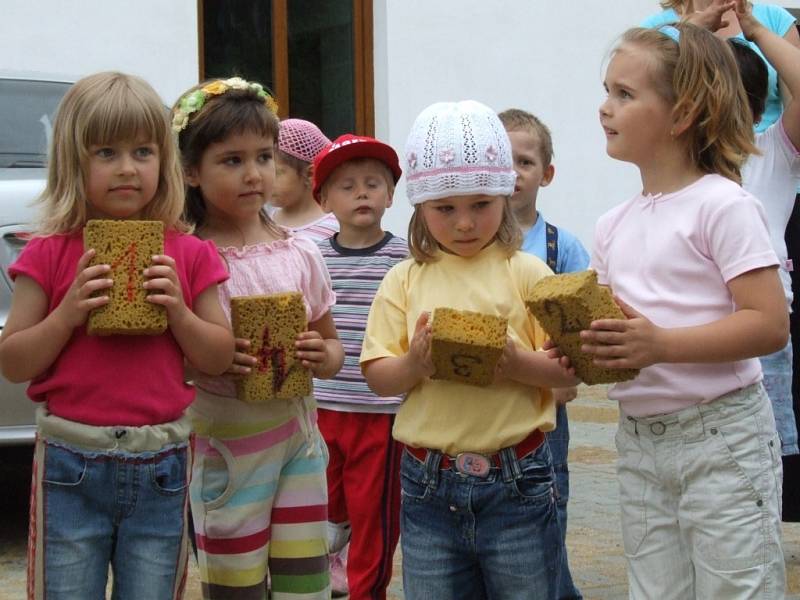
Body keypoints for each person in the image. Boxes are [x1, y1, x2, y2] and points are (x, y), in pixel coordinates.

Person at [0, 71, 234, 599]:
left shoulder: (190, 254)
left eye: (143, 152)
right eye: (105, 152)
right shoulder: (50, 252)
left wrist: (178, 311)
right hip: (70, 460)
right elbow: (13, 361)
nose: (127, 168)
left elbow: (218, 356)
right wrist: (66, 314)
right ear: (72, 162)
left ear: (164, 161)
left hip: (162, 461)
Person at [584, 22, 788, 596]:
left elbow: (769, 324)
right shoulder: (612, 224)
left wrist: (661, 345)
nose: (605, 107)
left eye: (625, 94)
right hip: (640, 443)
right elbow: (618, 331)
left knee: (736, 588)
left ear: (683, 113)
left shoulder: (724, 206)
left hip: (721, 438)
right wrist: (580, 347)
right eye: (607, 90)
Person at [361, 100, 578, 600]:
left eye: (481, 204)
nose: (464, 223)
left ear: (504, 197)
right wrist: (414, 363)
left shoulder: (525, 271)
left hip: (518, 478)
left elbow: (566, 378)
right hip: (427, 481)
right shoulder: (404, 278)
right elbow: (378, 376)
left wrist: (518, 362)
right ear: (419, 207)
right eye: (445, 208)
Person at [173, 77, 345, 599]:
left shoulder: (301, 252)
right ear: (190, 171)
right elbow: (169, 363)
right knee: (235, 586)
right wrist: (209, 360)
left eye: (265, 157)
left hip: (299, 443)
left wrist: (322, 355)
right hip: (227, 450)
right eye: (232, 160)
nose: (254, 174)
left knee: (304, 583)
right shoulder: (187, 256)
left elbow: (333, 349)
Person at [311, 134, 407, 599]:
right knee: (324, 509)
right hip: (319, 405)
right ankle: (326, 573)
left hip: (380, 410)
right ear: (324, 199)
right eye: (347, 186)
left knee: (374, 514)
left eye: (373, 183)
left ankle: (367, 590)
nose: (362, 193)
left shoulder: (406, 258)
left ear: (391, 194)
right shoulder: (311, 256)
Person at [498, 108, 589, 600]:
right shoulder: (464, 245)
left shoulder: (562, 247)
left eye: (525, 162)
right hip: (489, 407)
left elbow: (583, 325)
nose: (512, 173)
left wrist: (570, 374)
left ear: (546, 174)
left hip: (547, 411)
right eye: (501, 160)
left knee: (548, 508)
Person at [731, 1, 800, 459]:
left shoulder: (772, 150)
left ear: (758, 110)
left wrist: (755, 29)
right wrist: (692, 31)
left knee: (764, 462)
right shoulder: (672, 164)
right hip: (693, 333)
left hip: (763, 336)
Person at [641, 0, 799, 133]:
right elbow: (639, 103)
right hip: (689, 160)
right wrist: (684, 32)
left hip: (765, 157)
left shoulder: (774, 19)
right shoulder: (653, 30)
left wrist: (757, 30)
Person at [271, 118, 339, 242]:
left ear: (310, 174)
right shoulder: (264, 222)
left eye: (276, 173)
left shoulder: (336, 229)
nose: (266, 180)